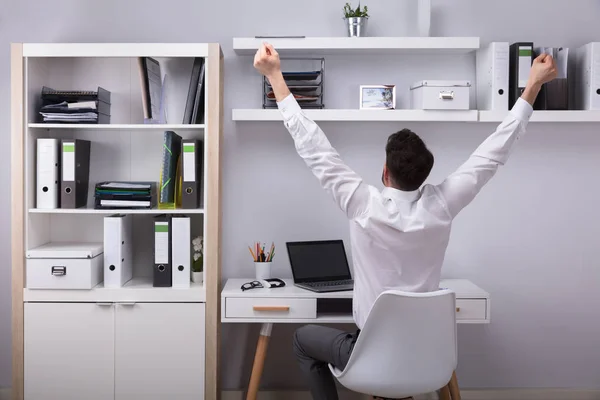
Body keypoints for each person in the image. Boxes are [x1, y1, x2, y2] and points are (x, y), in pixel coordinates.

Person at [253, 43, 557, 400]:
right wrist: (533, 85)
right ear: (425, 178)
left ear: (384, 172)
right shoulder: (441, 204)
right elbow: (492, 154)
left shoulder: (362, 203)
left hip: (370, 356)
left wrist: (275, 75)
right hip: (427, 360)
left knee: (304, 340)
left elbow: (313, 147)